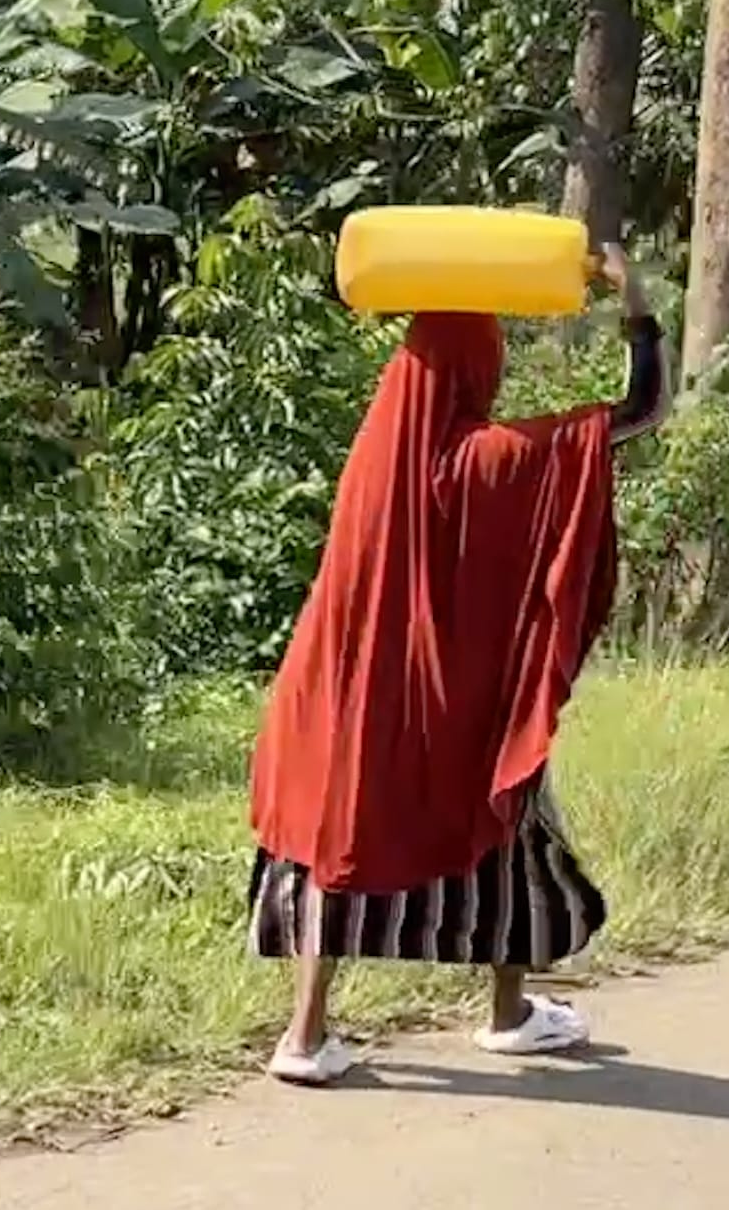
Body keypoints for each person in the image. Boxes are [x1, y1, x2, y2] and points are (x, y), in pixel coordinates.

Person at [247, 241, 665, 1086]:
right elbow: (644, 410)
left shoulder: (377, 459)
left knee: (332, 841)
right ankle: (509, 1014)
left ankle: (304, 1036)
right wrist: (637, 303)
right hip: (444, 708)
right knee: (506, 814)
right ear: (480, 366)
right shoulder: (491, 456)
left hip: (329, 706)